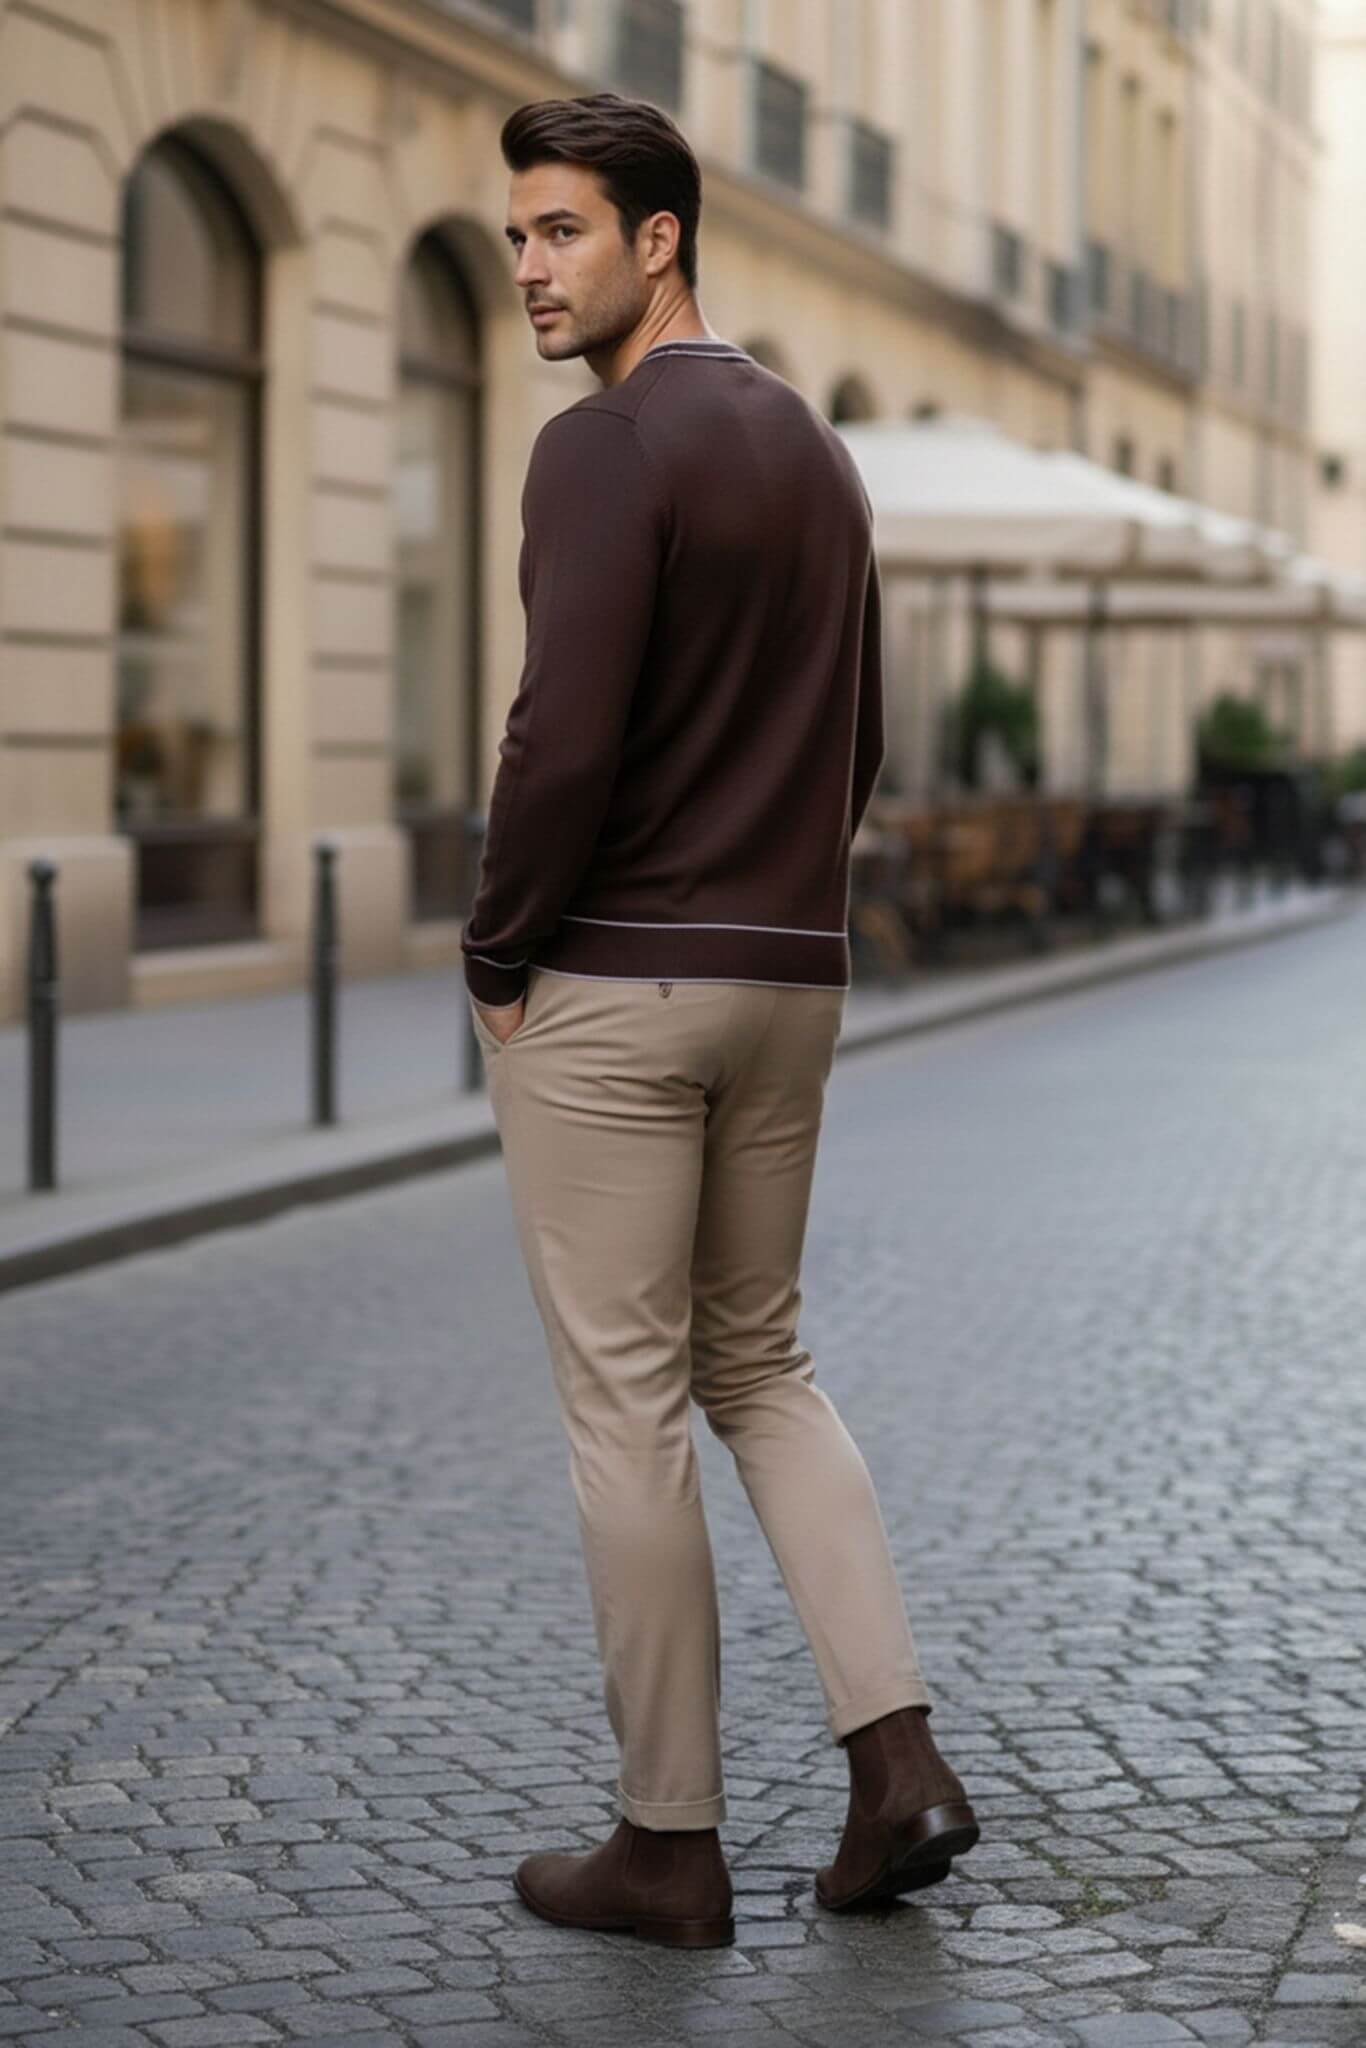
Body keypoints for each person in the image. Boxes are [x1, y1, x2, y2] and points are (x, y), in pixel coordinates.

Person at [461, 89, 979, 1950]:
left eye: (558, 232)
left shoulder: (603, 447)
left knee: (628, 1409)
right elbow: (868, 743)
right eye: (515, 233)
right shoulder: (818, 452)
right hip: (789, 974)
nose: (526, 266)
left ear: (656, 238)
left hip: (615, 980)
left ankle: (666, 1848)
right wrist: (783, 907)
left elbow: (561, 741)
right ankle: (895, 1764)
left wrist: (495, 950)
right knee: (758, 1367)